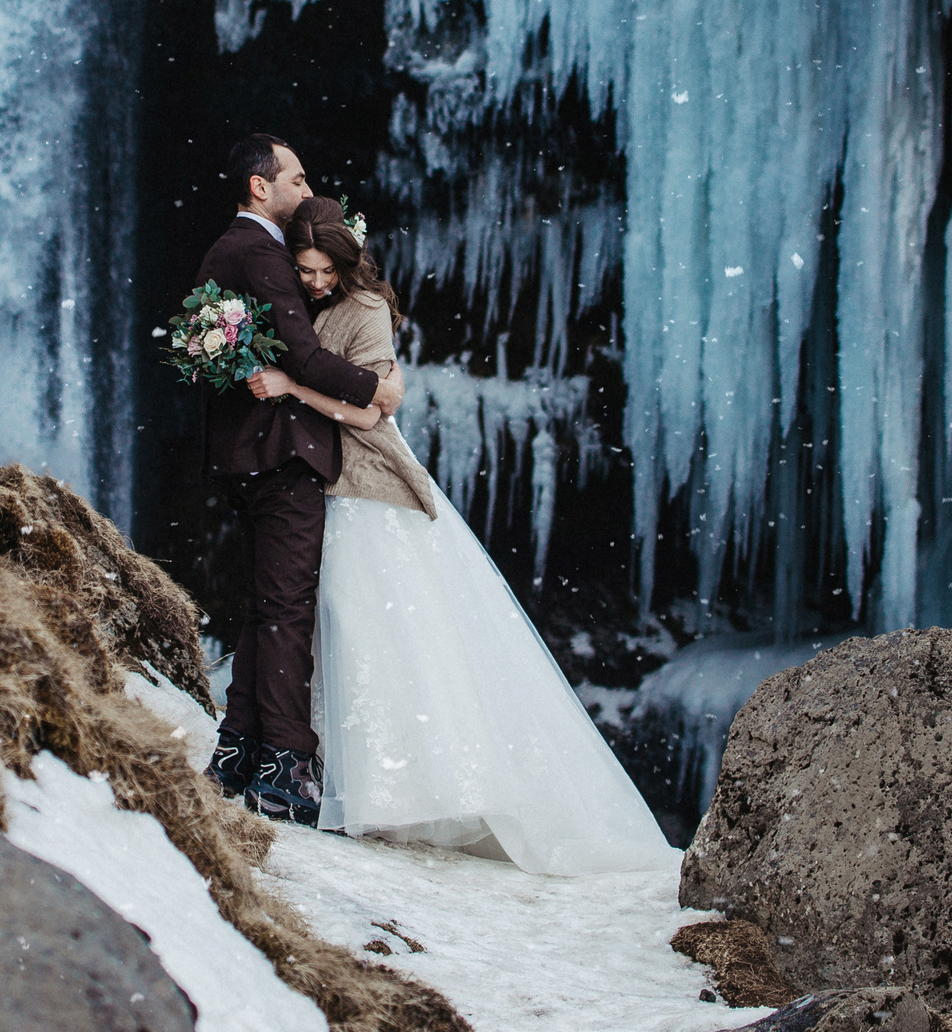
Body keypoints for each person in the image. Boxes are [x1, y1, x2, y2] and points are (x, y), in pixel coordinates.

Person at [244, 196, 672, 875]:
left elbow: (368, 413)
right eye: (306, 269)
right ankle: (322, 765)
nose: (317, 280)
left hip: (365, 478)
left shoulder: (367, 309)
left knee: (367, 618)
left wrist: (293, 387)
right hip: (321, 478)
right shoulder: (302, 304)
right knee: (328, 617)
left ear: (347, 263)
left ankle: (392, 788)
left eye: (327, 269)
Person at [194, 133, 384, 826]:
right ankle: (286, 766)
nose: (307, 191)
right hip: (279, 454)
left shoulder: (223, 249)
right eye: (297, 180)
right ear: (260, 185)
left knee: (263, 604)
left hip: (241, 456)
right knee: (287, 609)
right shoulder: (261, 251)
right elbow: (301, 354)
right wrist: (378, 388)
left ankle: (238, 750)